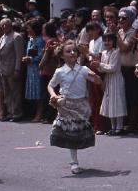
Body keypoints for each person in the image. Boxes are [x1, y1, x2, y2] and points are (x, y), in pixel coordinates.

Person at [48, 40, 102, 175]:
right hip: (66, 105)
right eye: (68, 51)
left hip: (82, 105)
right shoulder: (60, 71)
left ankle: (75, 157)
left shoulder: (83, 69)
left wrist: (97, 78)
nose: (72, 53)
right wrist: (54, 96)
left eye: (74, 51)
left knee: (79, 132)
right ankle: (74, 162)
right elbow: (50, 85)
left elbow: (98, 81)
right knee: (71, 132)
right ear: (62, 56)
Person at [96, 33, 127, 135]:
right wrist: (97, 65)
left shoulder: (116, 52)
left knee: (117, 102)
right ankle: (113, 127)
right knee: (109, 102)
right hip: (108, 79)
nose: (107, 42)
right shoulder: (104, 53)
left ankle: (119, 127)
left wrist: (99, 64)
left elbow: (112, 67)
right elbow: (102, 69)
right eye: (105, 40)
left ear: (114, 42)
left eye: (109, 40)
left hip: (116, 79)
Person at [0, 18, 25, 122]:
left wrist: (17, 69)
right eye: (2, 25)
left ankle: (17, 113)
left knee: (15, 91)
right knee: (7, 92)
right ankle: (10, 112)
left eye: (6, 25)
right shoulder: (2, 37)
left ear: (10, 25)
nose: (4, 27)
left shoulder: (16, 37)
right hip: (3, 69)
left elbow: (19, 55)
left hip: (13, 68)